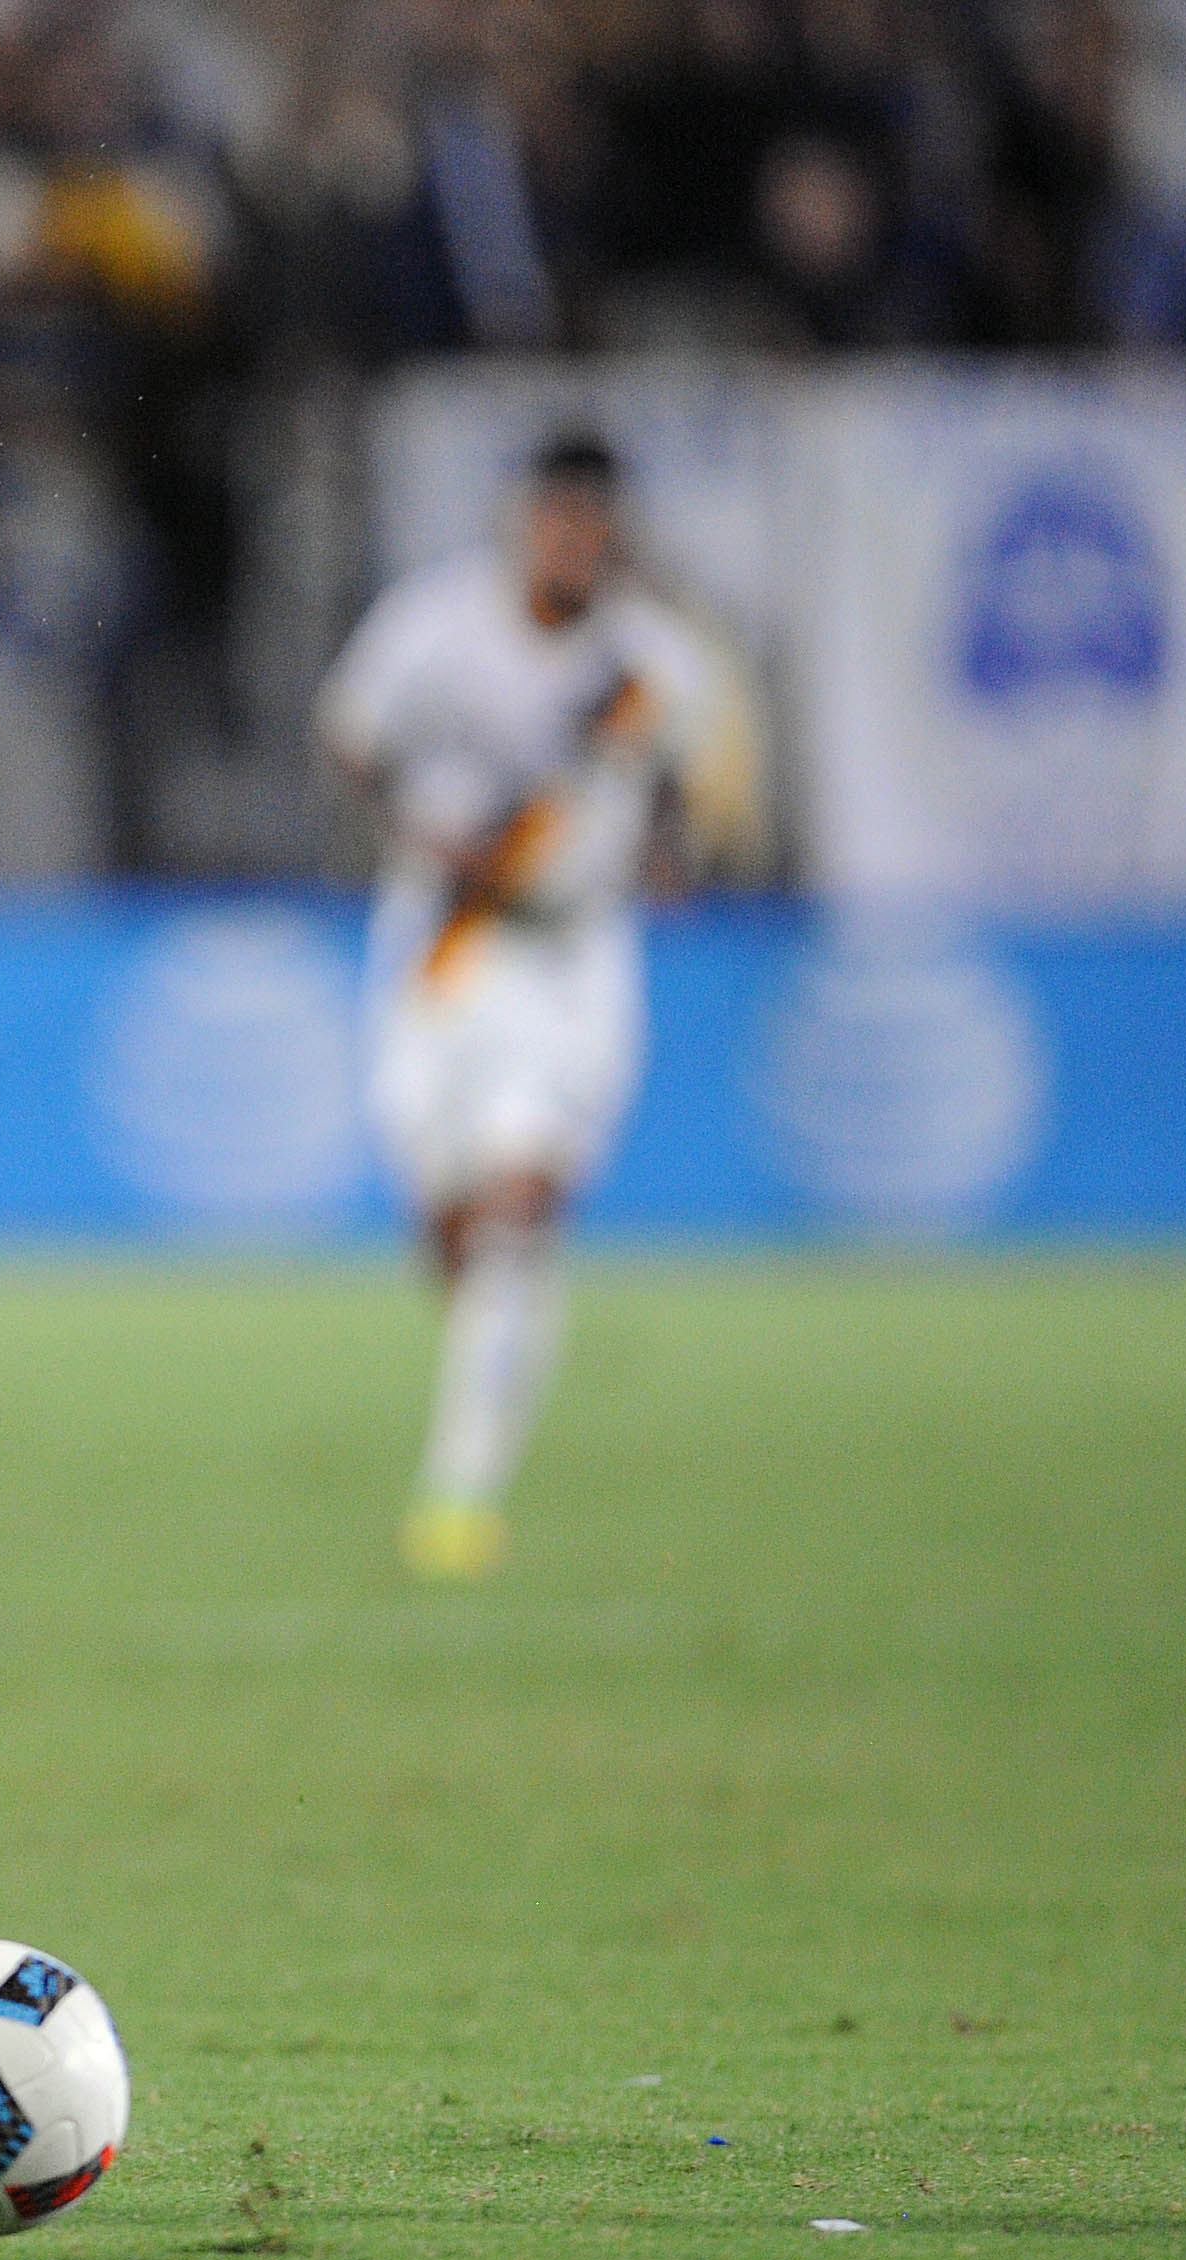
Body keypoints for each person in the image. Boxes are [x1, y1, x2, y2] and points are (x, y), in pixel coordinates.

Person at [317, 431, 720, 1582]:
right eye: (554, 520)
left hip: (569, 960)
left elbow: (682, 789)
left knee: (518, 1196)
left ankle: (456, 1492)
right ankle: (484, 1367)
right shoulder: (430, 626)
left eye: (592, 526)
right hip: (441, 944)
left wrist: (667, 852)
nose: (571, 545)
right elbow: (348, 741)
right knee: (446, 1220)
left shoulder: (653, 665)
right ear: (519, 524)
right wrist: (416, 835)